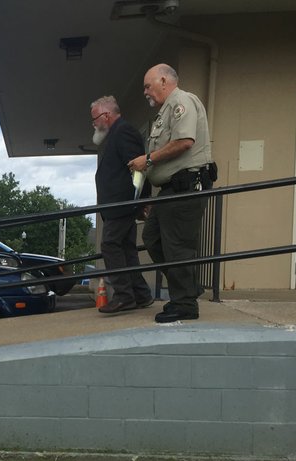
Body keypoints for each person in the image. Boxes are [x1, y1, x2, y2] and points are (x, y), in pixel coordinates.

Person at [127, 64, 213, 324]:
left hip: (185, 187)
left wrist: (148, 159)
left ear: (163, 81)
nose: (145, 92)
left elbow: (185, 141)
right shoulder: (165, 111)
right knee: (152, 238)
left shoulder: (182, 101)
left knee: (178, 248)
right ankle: (188, 287)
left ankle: (185, 304)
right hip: (169, 190)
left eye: (147, 86)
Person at [90, 95, 154, 314]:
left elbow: (139, 167)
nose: (94, 123)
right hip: (122, 205)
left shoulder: (123, 132)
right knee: (126, 249)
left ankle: (124, 296)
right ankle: (141, 294)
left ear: (106, 116)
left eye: (95, 118)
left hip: (122, 205)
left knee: (110, 245)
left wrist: (141, 200)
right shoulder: (118, 133)